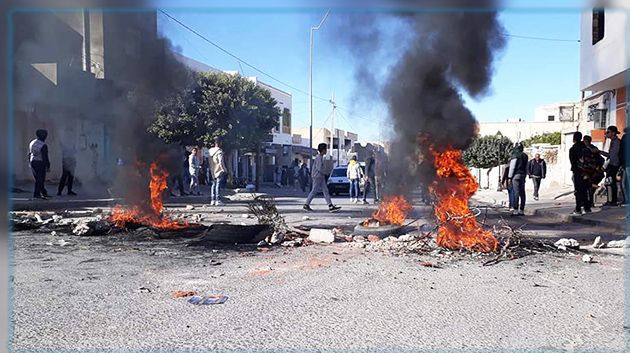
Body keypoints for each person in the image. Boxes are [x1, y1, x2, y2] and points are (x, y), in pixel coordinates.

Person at [303, 143, 341, 212]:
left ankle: (330, 205)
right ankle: (306, 204)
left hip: (320, 176)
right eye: (326, 149)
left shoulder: (320, 157)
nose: (326, 151)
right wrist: (325, 173)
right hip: (317, 176)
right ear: (323, 150)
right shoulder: (318, 158)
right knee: (314, 190)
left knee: (325, 190)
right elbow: (319, 168)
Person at [569, 131, 590, 215]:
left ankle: (578, 209)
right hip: (587, 172)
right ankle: (587, 207)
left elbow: (573, 162)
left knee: (578, 190)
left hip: (578, 172)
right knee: (585, 189)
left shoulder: (573, 149)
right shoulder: (586, 148)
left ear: (574, 138)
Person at [600, 125, 622, 206]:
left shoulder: (616, 142)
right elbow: (610, 155)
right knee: (609, 183)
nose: (606, 134)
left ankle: (613, 201)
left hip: (614, 165)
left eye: (608, 132)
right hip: (611, 165)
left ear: (613, 133)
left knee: (611, 183)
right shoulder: (612, 142)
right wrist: (600, 152)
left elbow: (613, 156)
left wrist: (607, 166)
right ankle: (611, 200)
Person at [582, 135, 605, 208]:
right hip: (592, 171)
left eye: (585, 141)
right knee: (589, 187)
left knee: (589, 186)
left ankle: (590, 202)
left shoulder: (587, 149)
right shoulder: (592, 148)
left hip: (592, 172)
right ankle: (589, 202)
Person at [29, 129, 50, 199]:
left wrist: (30, 163)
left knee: (38, 178)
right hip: (40, 162)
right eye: (45, 135)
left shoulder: (32, 142)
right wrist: (48, 165)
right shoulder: (43, 145)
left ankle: (44, 192)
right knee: (40, 179)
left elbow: (29, 153)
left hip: (33, 162)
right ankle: (37, 194)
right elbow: (45, 157)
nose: (46, 137)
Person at [507, 143, 528, 216]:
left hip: (516, 176)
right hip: (523, 175)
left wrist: (510, 177)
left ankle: (515, 210)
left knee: (516, 192)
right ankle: (521, 210)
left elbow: (512, 167)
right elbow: (526, 166)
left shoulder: (515, 155)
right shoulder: (525, 156)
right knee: (522, 193)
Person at [209, 137, 227, 206]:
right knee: (218, 185)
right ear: (220, 143)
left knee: (213, 184)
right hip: (218, 170)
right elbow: (221, 162)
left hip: (212, 170)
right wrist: (224, 169)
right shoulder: (219, 152)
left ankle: (212, 200)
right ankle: (218, 200)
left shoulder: (210, 151)